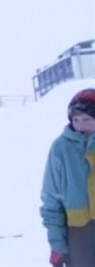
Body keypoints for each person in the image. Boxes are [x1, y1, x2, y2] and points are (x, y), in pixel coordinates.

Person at [40, 88, 95, 267]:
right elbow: (51, 200)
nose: (81, 126)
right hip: (79, 236)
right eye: (76, 120)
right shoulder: (60, 149)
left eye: (87, 120)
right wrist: (57, 246)